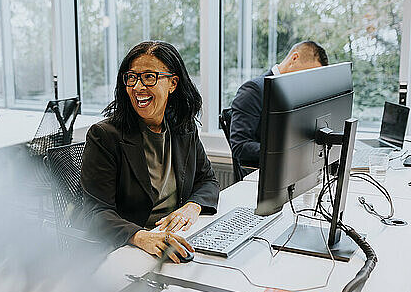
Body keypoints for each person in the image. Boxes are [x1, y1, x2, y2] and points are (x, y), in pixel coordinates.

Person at [81, 41, 220, 263]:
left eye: (149, 77)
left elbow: (207, 180)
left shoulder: (183, 127)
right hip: (128, 247)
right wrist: (141, 237)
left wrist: (192, 207)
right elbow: (94, 213)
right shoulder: (105, 136)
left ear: (173, 83)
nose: (137, 87)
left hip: (175, 239)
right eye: (132, 77)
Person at [229, 41, 329, 170]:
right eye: (308, 72)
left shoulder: (299, 92)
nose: (309, 79)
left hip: (296, 168)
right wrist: (287, 152)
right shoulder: (254, 90)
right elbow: (240, 146)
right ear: (294, 58)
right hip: (266, 172)